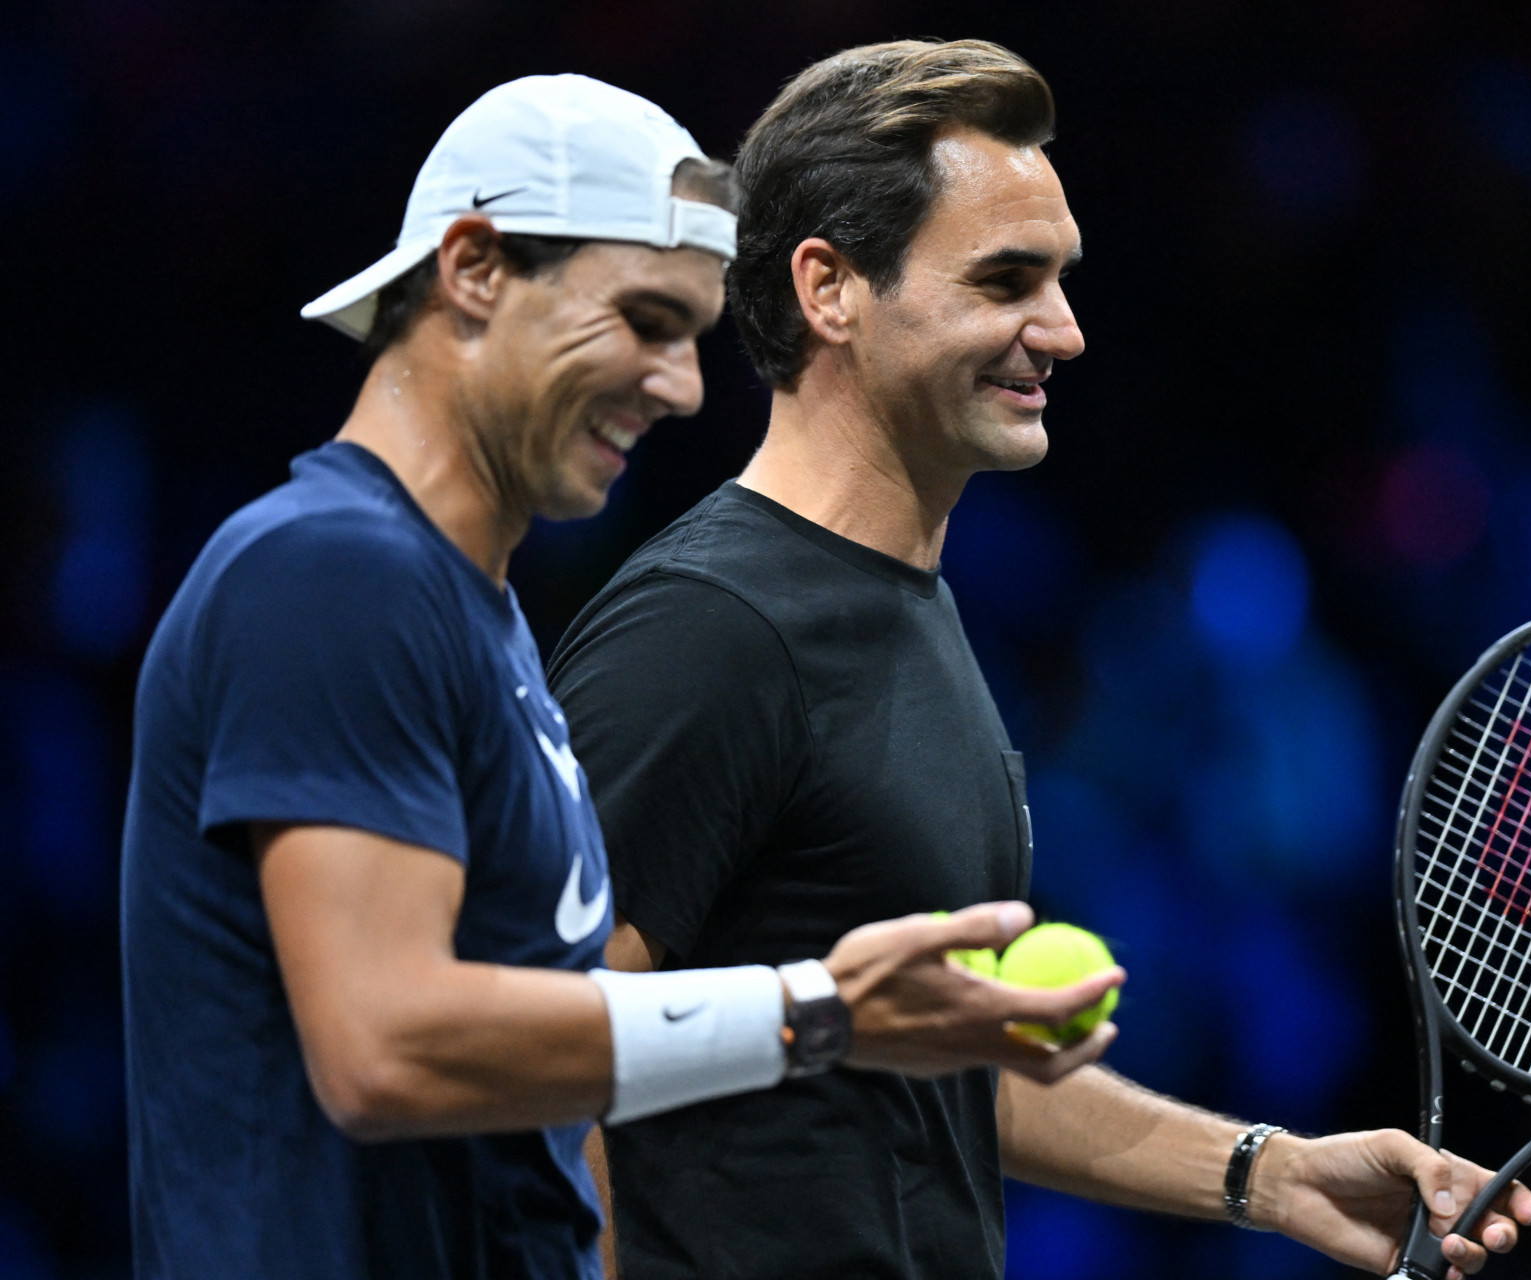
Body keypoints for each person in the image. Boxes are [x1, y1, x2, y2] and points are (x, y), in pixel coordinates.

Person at [547, 39, 1531, 1280]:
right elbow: (541, 1054)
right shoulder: (709, 628)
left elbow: (941, 1076)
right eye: (1006, 279)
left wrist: (1269, 1172)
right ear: (831, 288)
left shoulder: (917, 616)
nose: (1064, 332)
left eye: (1062, 280)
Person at [119, 73, 1123, 1280]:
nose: (684, 385)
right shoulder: (331, 571)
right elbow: (384, 1045)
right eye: (644, 322)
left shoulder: (476, 627)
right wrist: (818, 1009)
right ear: (476, 267)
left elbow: (548, 1064)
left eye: (693, 335)